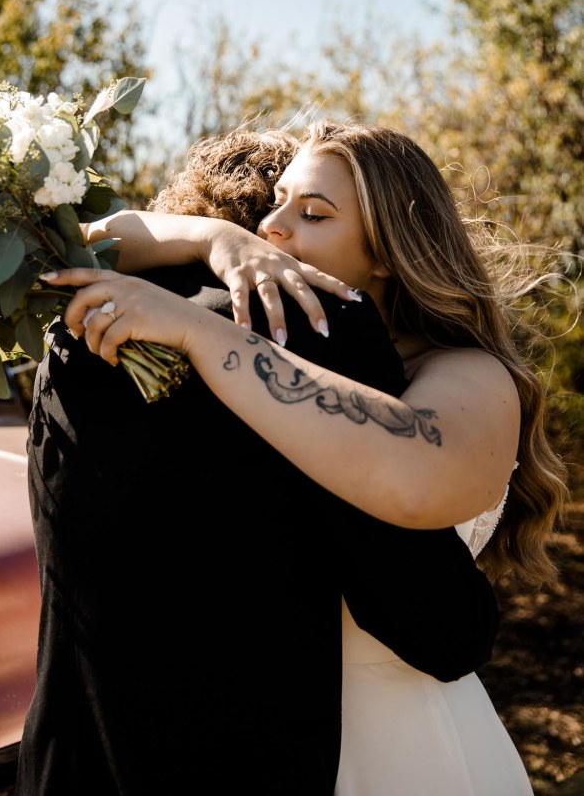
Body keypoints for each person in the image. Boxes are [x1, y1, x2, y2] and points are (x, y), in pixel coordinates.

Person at [50, 119, 569, 795]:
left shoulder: (467, 372)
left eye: (314, 213)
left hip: (403, 738)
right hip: (253, 734)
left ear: (388, 251)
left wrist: (198, 333)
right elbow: (87, 242)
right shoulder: (264, 328)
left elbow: (413, 479)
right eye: (277, 203)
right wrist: (215, 238)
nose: (274, 226)